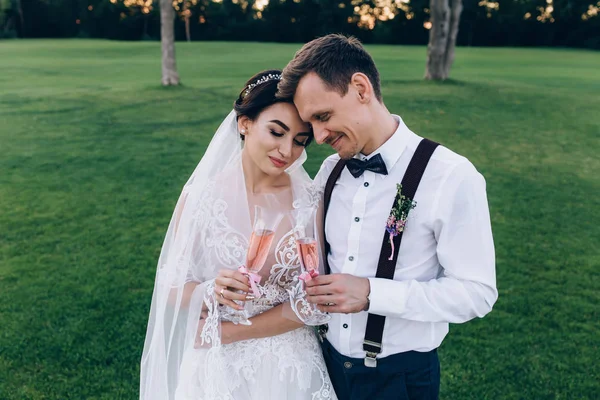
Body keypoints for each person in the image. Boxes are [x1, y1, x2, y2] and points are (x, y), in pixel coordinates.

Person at [277, 34, 498, 399]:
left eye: (323, 116)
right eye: (311, 123)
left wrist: (372, 293)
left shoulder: (451, 175)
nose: (317, 136)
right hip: (324, 367)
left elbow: (477, 293)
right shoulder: (330, 171)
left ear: (361, 88)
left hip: (399, 379)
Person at [140, 70, 336, 400]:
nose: (287, 151)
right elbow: (172, 283)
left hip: (288, 367)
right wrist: (208, 291)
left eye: (300, 141)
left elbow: (316, 303)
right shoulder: (200, 197)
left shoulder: (310, 201)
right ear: (244, 123)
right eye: (277, 132)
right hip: (217, 369)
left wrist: (227, 332)